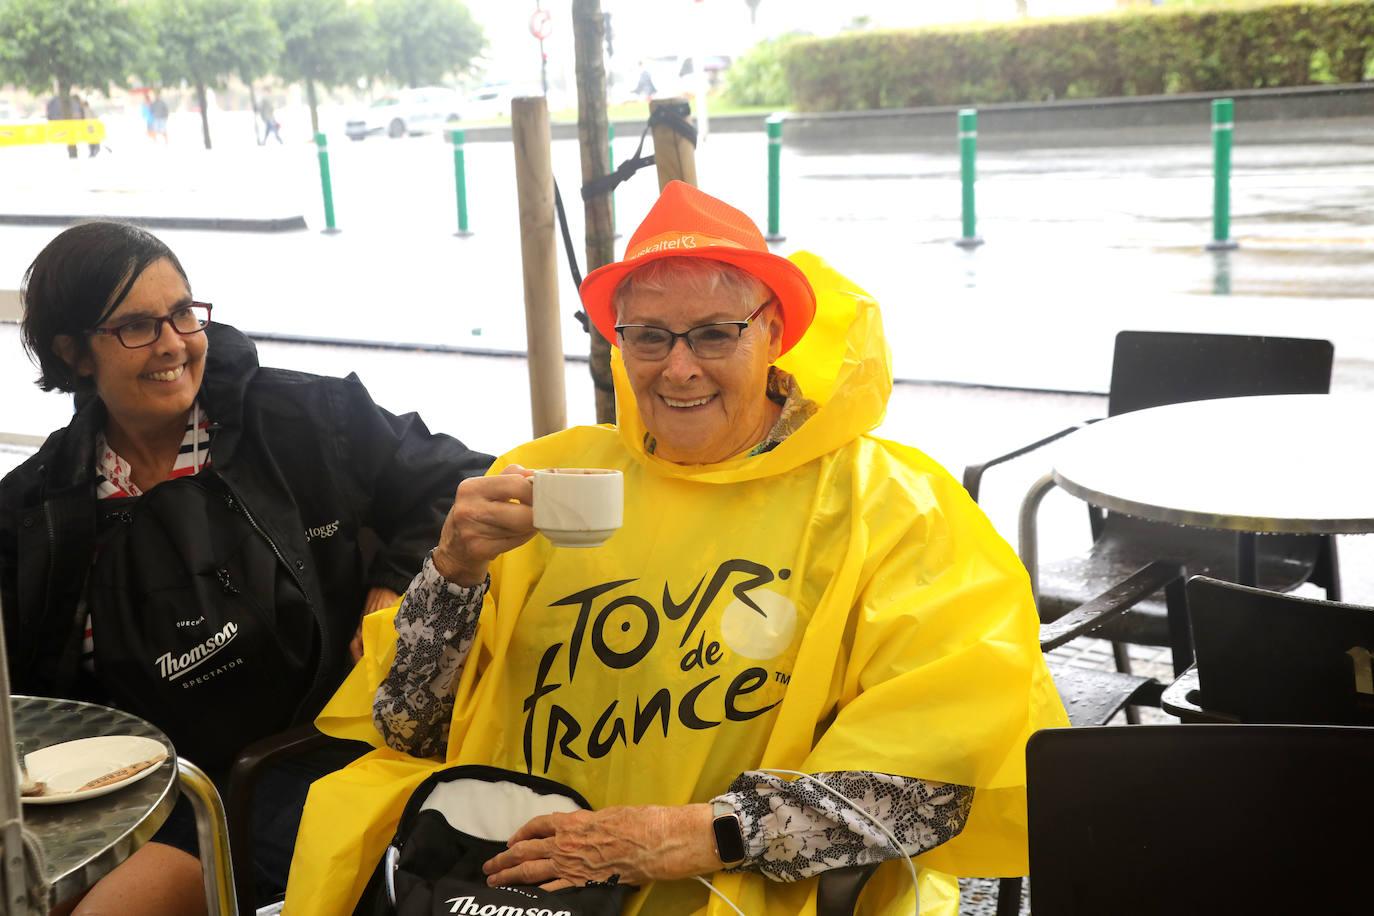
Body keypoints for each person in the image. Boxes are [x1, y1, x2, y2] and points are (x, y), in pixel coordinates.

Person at [286, 183, 1067, 915]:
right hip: (504, 881)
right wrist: (452, 571)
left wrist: (686, 836)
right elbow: (408, 730)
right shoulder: (551, 478)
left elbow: (927, 788)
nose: (679, 366)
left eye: (714, 334)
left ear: (773, 331)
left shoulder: (894, 507)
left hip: (739, 893)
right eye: (650, 337)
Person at [0, 221, 491, 914]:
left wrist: (401, 578)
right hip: (113, 787)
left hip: (303, 761)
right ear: (75, 353)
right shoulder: (38, 504)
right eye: (137, 326)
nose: (173, 342)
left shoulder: (305, 421)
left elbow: (462, 479)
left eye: (181, 313)